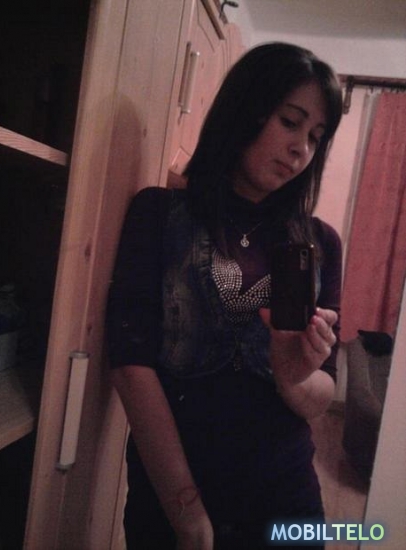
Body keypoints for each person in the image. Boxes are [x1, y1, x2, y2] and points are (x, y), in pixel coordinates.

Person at [106, 42, 343, 549]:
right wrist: (187, 513)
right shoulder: (159, 215)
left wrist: (294, 374)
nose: (302, 149)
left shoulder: (320, 243)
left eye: (315, 137)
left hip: (287, 494)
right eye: (290, 122)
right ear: (246, 109)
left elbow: (323, 392)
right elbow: (130, 364)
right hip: (176, 488)